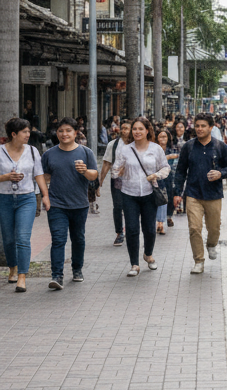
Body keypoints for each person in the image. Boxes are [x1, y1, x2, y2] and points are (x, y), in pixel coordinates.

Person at [173, 114, 227, 276]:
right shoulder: (188, 147)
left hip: (213, 195)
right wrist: (177, 193)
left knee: (214, 228)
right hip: (193, 194)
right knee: (194, 228)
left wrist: (220, 173)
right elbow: (180, 171)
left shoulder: (220, 147)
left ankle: (211, 244)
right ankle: (198, 261)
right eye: (197, 126)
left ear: (211, 127)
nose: (199, 129)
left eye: (203, 126)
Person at [41, 118, 99, 290]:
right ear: (56, 133)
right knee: (58, 239)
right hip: (56, 204)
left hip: (79, 204)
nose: (64, 134)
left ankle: (77, 269)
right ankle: (57, 275)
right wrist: (45, 195)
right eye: (60, 131)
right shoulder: (49, 154)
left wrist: (85, 171)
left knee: (78, 238)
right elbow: (43, 177)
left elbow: (94, 175)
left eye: (68, 130)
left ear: (75, 133)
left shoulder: (86, 152)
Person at [110, 117, 169, 277]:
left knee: (149, 229)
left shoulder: (156, 149)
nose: (137, 132)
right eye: (134, 129)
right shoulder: (125, 150)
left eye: (140, 129)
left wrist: (155, 175)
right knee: (132, 229)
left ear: (147, 131)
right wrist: (119, 172)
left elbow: (166, 168)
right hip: (129, 194)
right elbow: (114, 171)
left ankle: (148, 254)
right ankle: (134, 264)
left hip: (150, 194)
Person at [0, 117, 49, 292]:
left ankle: (22, 276)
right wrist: (6, 177)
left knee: (22, 237)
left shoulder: (33, 151)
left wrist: (45, 195)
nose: (28, 134)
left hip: (26, 198)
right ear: (14, 134)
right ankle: (12, 267)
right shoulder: (0, 152)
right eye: (25, 132)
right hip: (4, 198)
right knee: (8, 239)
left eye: (29, 131)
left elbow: (39, 175)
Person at [98, 118, 132, 246]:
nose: (124, 131)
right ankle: (119, 232)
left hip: (132, 181)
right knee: (118, 206)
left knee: (130, 207)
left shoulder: (137, 144)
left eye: (127, 128)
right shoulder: (113, 144)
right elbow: (106, 163)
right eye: (122, 128)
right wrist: (100, 181)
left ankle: (130, 230)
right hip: (117, 180)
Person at [155, 128, 178, 234]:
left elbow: (174, 164)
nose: (162, 139)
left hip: (169, 178)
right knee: (160, 200)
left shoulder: (172, 149)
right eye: (160, 136)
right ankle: (160, 223)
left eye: (164, 136)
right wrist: (167, 157)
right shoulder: (153, 150)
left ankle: (166, 217)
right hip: (157, 178)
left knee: (168, 199)